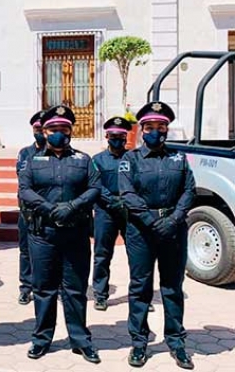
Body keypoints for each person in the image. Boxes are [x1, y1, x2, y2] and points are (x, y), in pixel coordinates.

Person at [18, 105, 101, 363]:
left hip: (75, 234)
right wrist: (52, 210)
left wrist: (72, 207)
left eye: (64, 129)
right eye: (53, 129)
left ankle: (80, 340)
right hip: (43, 234)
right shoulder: (32, 161)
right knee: (44, 289)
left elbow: (95, 188)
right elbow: (25, 190)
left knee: (75, 289)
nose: (59, 133)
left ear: (70, 131)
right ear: (45, 131)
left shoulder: (84, 160)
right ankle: (41, 339)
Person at [118, 101, 196, 369]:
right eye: (150, 127)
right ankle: (139, 343)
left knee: (172, 287)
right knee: (140, 287)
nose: (155, 131)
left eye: (161, 127)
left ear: (166, 130)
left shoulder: (178, 158)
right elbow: (127, 193)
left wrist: (173, 220)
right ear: (141, 129)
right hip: (142, 230)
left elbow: (189, 190)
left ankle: (177, 342)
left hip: (173, 229)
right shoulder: (130, 159)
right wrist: (153, 221)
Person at [91, 117, 132, 311]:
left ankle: (140, 295)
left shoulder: (133, 158)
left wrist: (125, 201)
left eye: (121, 136)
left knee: (137, 255)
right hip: (105, 211)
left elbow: (138, 183)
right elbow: (95, 185)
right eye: (114, 136)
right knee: (102, 254)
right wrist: (113, 201)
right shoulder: (97, 160)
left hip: (129, 210)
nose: (117, 140)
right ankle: (100, 294)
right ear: (107, 136)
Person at [16, 109, 47, 305]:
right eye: (37, 128)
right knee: (26, 251)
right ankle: (26, 287)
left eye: (43, 128)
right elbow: (25, 180)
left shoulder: (59, 151)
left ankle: (55, 285)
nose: (40, 131)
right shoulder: (24, 153)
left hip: (50, 210)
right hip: (28, 211)